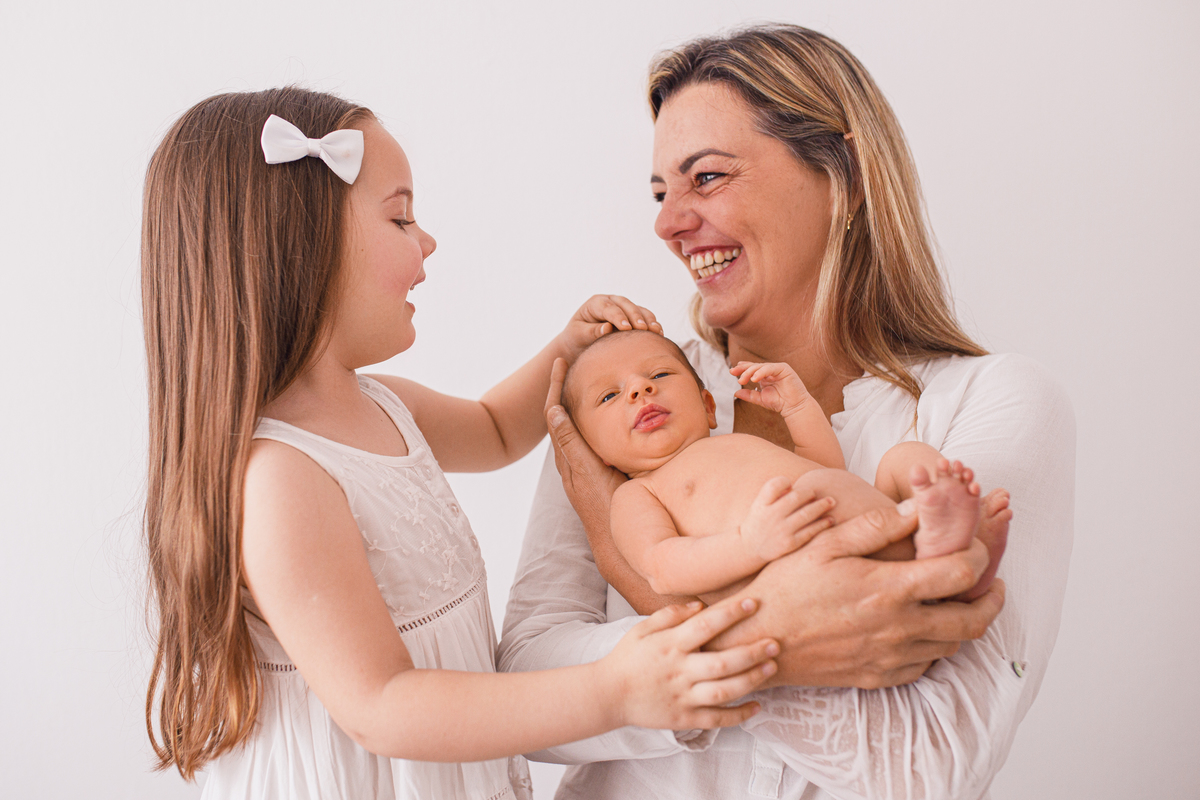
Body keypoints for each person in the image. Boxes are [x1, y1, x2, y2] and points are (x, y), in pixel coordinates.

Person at [140, 87, 785, 800]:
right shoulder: (282, 476)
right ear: (304, 247)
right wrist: (613, 691)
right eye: (401, 217)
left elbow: (499, 427)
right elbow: (381, 706)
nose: (428, 239)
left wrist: (571, 349)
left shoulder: (387, 404)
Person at [497, 24, 1074, 800]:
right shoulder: (624, 403)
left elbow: (926, 764)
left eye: (706, 178)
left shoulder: (990, 402)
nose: (669, 223)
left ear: (845, 174)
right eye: (662, 192)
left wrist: (648, 596)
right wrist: (793, 635)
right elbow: (522, 690)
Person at [558, 329, 1010, 603]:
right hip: (812, 568)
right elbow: (662, 566)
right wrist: (750, 544)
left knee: (905, 459)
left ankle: (942, 524)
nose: (640, 389)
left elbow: (824, 468)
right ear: (598, 454)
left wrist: (798, 409)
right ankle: (947, 559)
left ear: (708, 407)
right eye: (609, 396)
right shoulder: (638, 494)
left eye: (658, 376)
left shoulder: (737, 442)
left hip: (868, 510)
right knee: (904, 552)